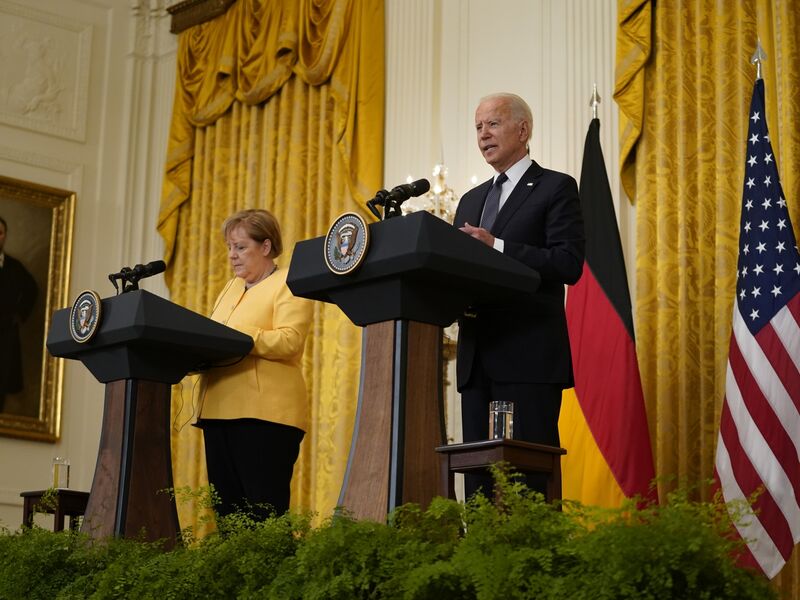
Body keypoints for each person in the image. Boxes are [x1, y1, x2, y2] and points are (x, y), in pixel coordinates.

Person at [453, 93, 585, 498]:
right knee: (479, 485)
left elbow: (568, 264)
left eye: (492, 124)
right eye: (478, 127)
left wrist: (497, 245)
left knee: (528, 484)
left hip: (529, 357)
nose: (483, 135)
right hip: (477, 359)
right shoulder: (470, 201)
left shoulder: (555, 187)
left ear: (523, 130)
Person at [195, 208, 313, 519]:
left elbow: (290, 340)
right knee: (228, 517)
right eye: (229, 247)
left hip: (266, 416)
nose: (232, 255)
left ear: (266, 246)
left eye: (240, 247)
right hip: (217, 411)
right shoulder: (231, 288)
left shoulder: (289, 282)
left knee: (264, 514)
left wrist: (237, 336)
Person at [0, 216, 38, 413]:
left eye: (0, 233)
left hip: (6, 333)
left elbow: (32, 289)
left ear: (5, 235)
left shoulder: (15, 267)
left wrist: (20, 314)